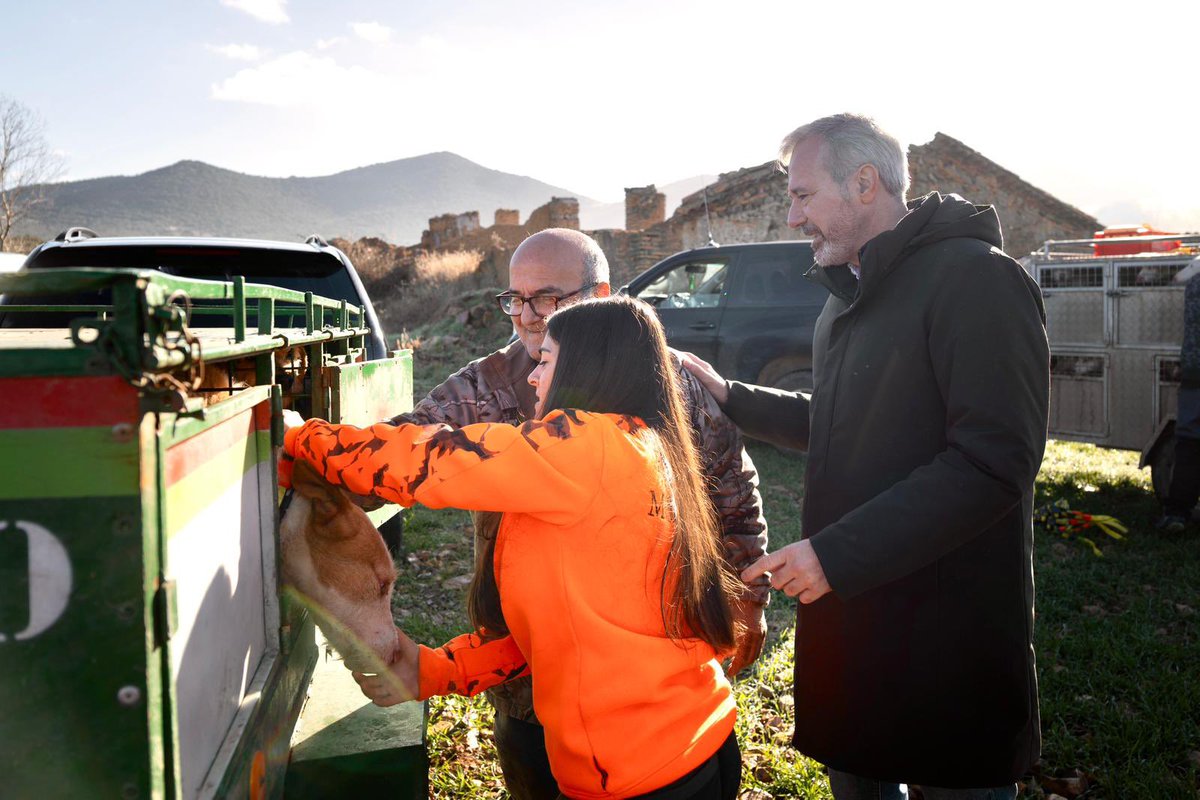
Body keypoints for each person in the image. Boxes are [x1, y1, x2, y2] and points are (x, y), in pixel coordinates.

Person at [682, 114, 1049, 798]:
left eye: (802, 196)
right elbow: (848, 421)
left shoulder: (978, 281)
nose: (793, 218)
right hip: (860, 627)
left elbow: (995, 459)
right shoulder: (849, 292)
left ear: (864, 182)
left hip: (946, 631)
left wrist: (836, 554)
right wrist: (732, 396)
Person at [282, 295, 743, 799]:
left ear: (589, 366)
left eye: (545, 361)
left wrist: (304, 441)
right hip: (698, 744)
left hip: (637, 775)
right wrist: (438, 670)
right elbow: (558, 633)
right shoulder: (649, 446)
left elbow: (440, 460)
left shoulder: (587, 446)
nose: (532, 376)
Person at [384, 228, 768, 798]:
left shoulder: (669, 381)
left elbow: (733, 495)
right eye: (515, 299)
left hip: (654, 686)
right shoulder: (485, 384)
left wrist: (746, 603)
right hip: (525, 670)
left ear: (603, 293)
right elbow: (406, 448)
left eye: (547, 297)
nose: (527, 316)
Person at [1157, 259, 1200, 531]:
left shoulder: (1194, 279)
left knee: (1189, 442)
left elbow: (1177, 280)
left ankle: (1177, 514)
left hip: (1194, 369)